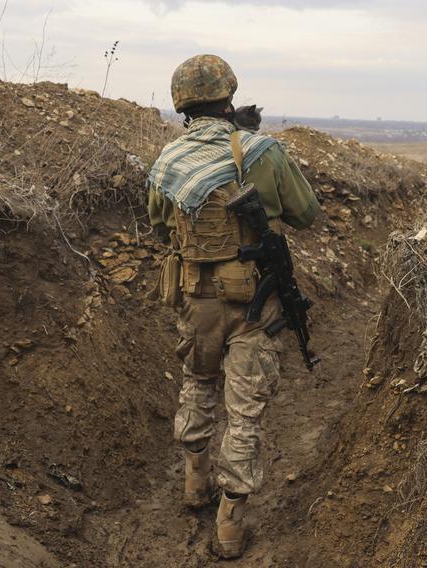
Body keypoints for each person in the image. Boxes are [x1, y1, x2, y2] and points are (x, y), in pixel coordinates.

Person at [147, 54, 320, 559]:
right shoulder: (263, 152)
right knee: (244, 414)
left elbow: (161, 229)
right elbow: (307, 214)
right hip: (255, 305)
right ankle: (229, 521)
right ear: (229, 95)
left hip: (196, 298)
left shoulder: (169, 161)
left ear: (182, 104)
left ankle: (194, 480)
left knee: (198, 383)